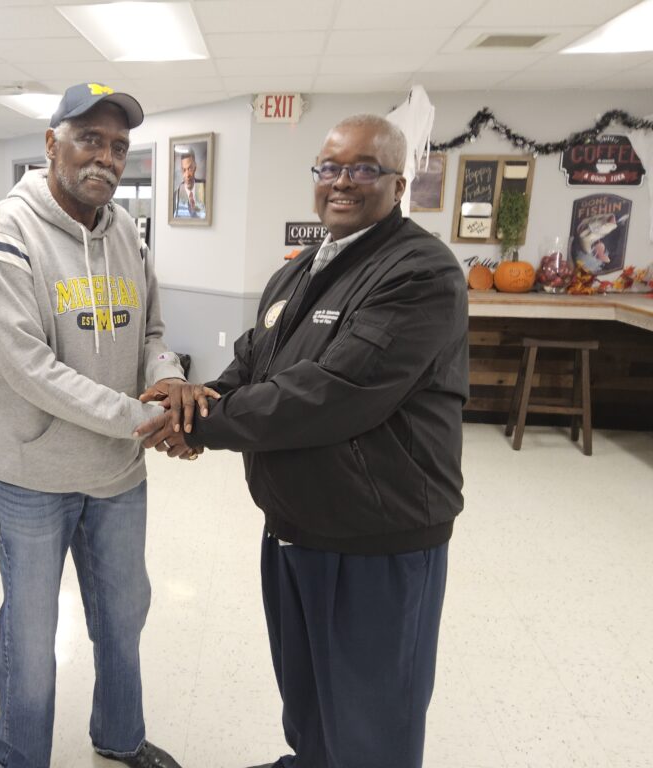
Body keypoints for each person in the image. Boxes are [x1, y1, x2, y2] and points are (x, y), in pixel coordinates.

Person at [137, 114, 469, 768]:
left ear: (399, 182)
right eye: (329, 167)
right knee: (308, 693)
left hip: (375, 536)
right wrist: (194, 398)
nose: (342, 182)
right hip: (295, 525)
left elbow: (331, 393)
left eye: (364, 168)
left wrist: (201, 424)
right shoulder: (297, 272)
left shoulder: (420, 273)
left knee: (372, 717)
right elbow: (253, 363)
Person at [0, 82, 188, 768]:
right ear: (51, 144)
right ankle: (20, 756)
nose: (106, 157)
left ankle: (120, 736)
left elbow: (153, 329)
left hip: (118, 475)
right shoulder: (8, 233)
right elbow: (28, 366)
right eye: (89, 139)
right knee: (32, 637)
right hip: (33, 475)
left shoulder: (127, 232)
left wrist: (171, 376)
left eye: (119, 146)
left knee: (123, 620)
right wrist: (140, 417)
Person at [172, 149, 206, 218]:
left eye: (190, 169)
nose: (187, 175)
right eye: (184, 170)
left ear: (195, 168)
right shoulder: (175, 195)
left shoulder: (205, 189)